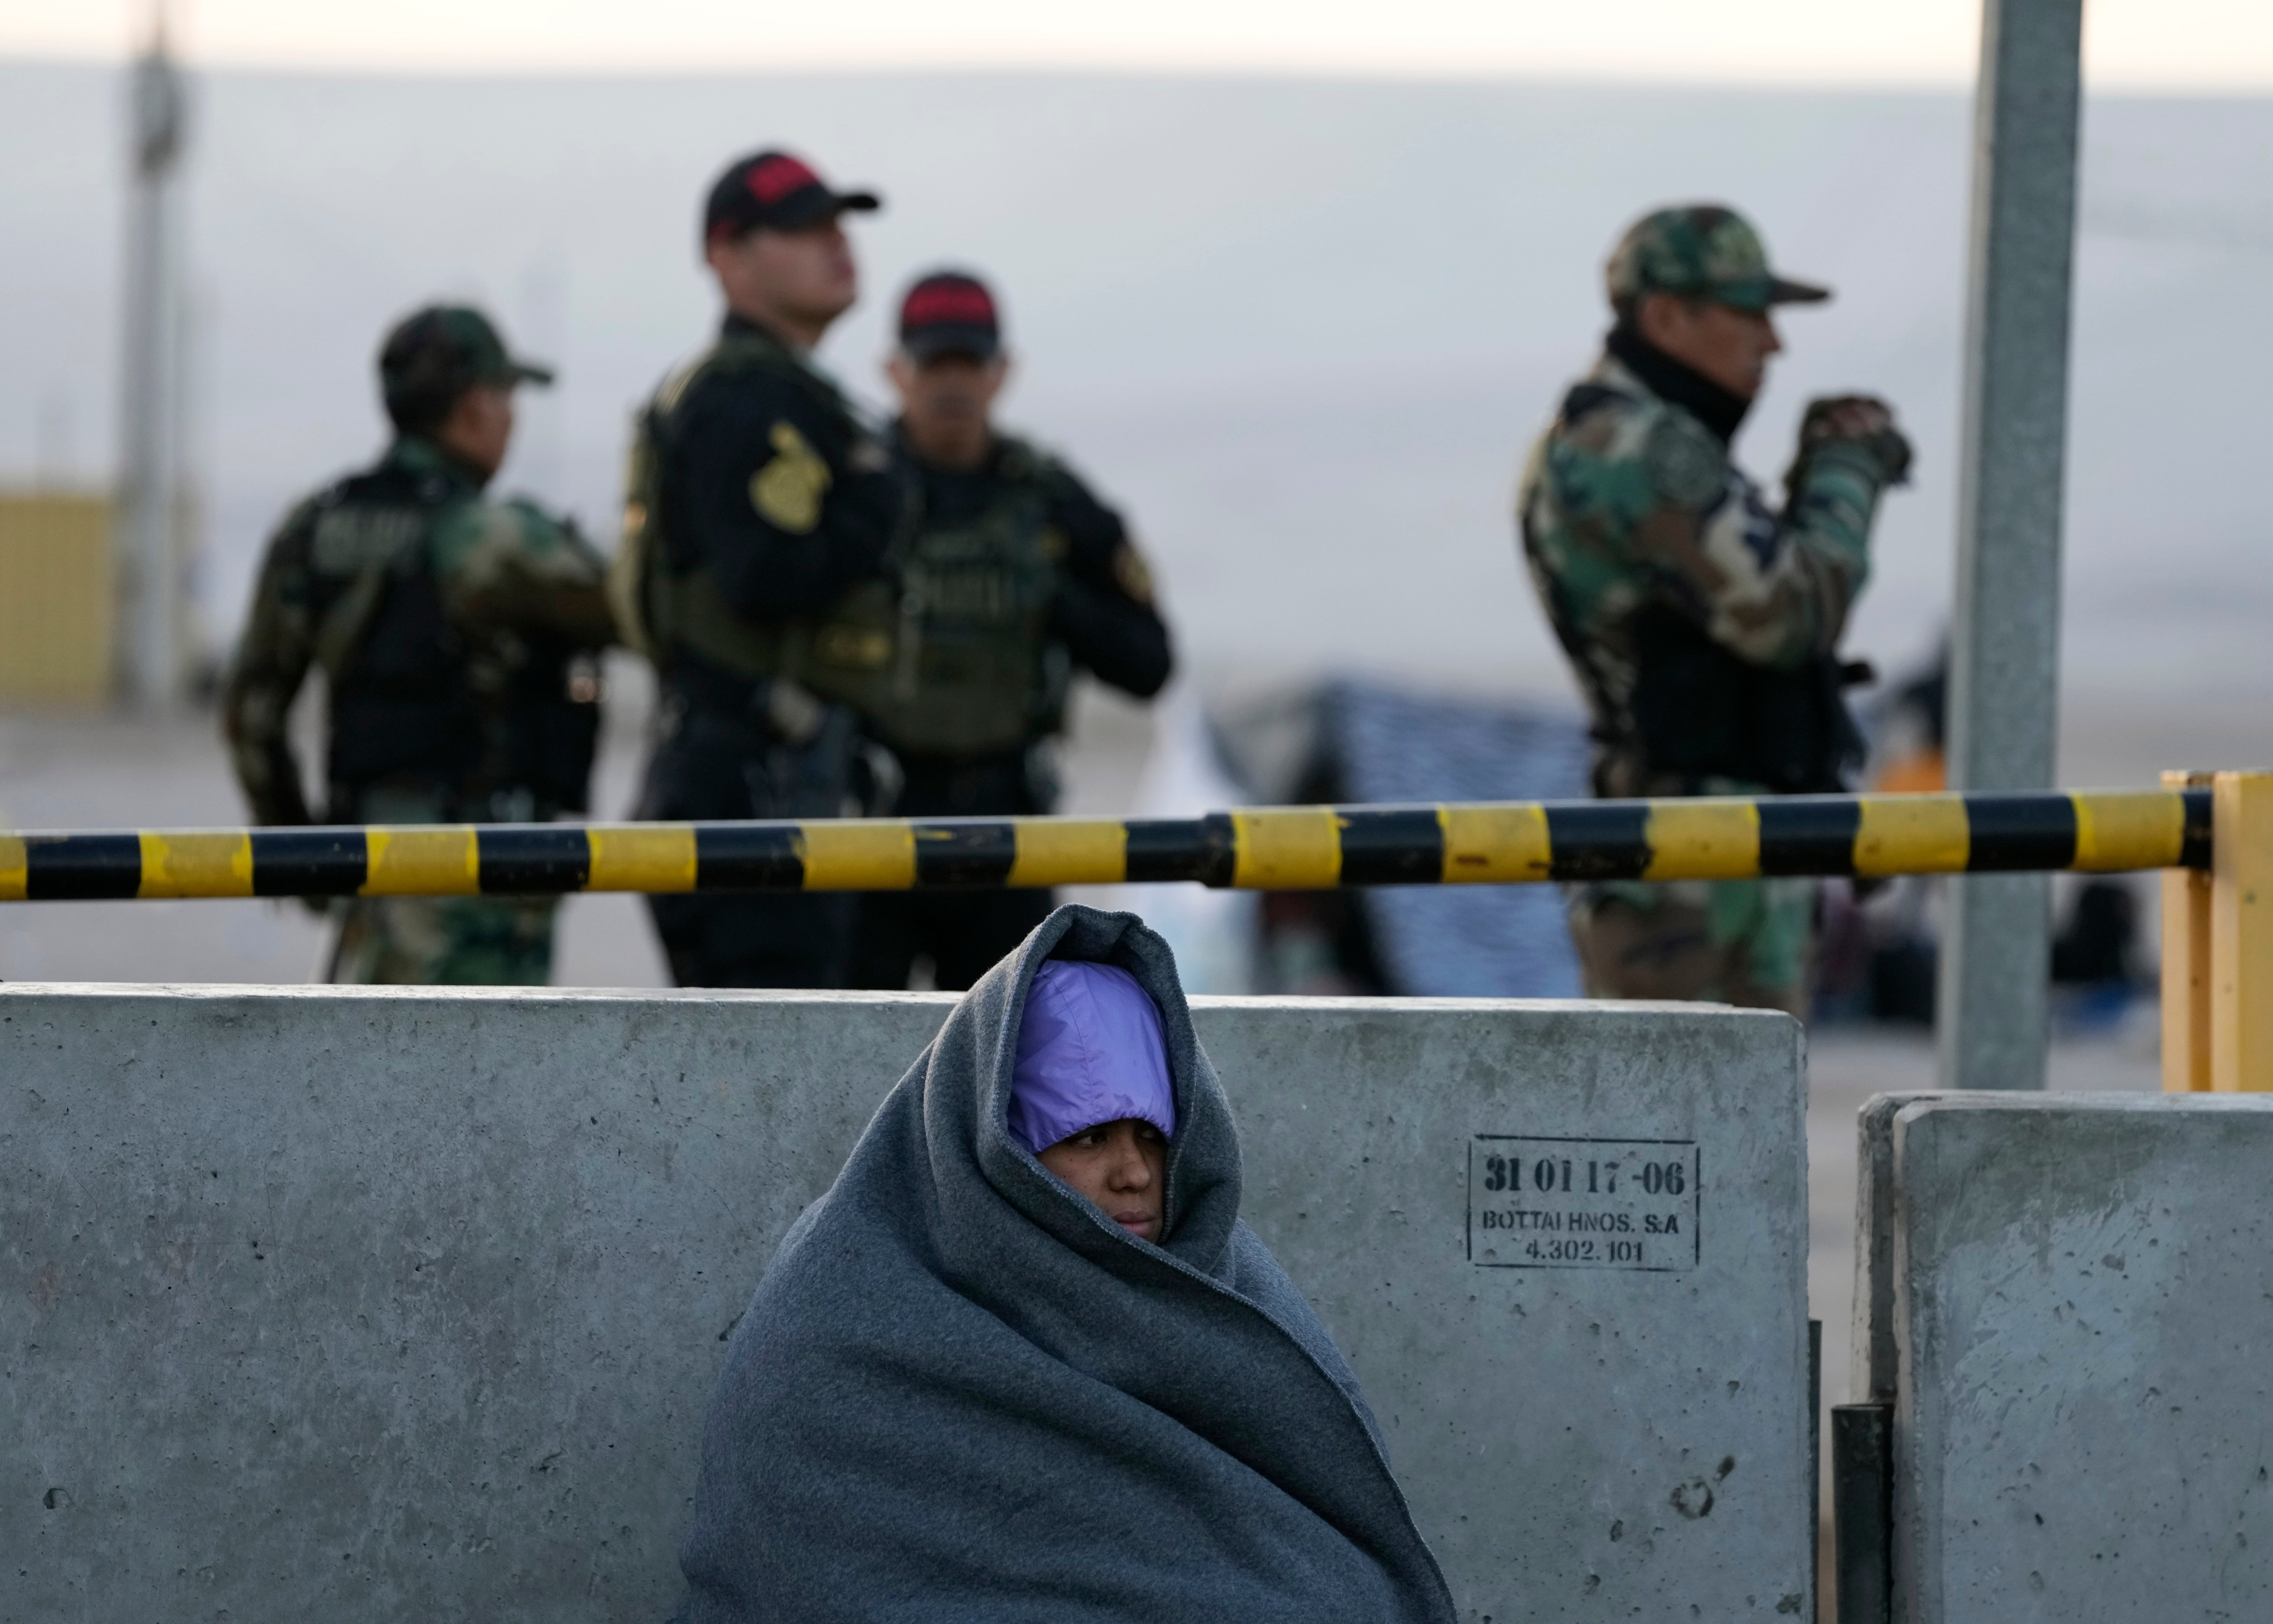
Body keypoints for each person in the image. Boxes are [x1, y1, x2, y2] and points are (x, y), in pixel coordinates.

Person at [670, 904, 1456, 1623]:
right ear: (998, 1150)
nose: (1135, 1173)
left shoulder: (1215, 1281)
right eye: (1087, 1138)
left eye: (1152, 1136)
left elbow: (1340, 1550)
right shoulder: (841, 1316)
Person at [1517, 204, 1913, 1016]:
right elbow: (1787, 616)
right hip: (1686, 869)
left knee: (1741, 1128)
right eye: (1747, 313)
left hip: (1721, 855)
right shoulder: (1636, 449)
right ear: (1666, 316)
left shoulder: (1652, 440)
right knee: (1679, 1132)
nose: (1771, 342)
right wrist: (1842, 474)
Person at [221, 305, 612, 984]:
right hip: (481, 880)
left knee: (378, 1077)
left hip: (369, 871)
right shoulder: (491, 539)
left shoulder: (317, 525)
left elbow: (250, 714)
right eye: (506, 399)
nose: (513, 420)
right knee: (489, 1080)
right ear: (472, 409)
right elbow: (634, 613)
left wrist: (306, 858)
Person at [615, 148, 913, 990]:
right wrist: (876, 495)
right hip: (749, 796)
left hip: (761, 786)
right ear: (727, 257)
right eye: (800, 230)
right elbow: (766, 577)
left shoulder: (785, 393)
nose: (836, 245)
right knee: (771, 1083)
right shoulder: (746, 400)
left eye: (837, 225)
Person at [843, 269, 1173, 991]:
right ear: (897, 372)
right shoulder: (852, 492)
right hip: (869, 832)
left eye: (970, 363)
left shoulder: (1050, 501)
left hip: (1009, 832)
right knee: (855, 1066)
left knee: (1006, 1081)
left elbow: (1149, 663)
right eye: (936, 364)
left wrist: (1046, 596)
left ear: (1003, 373)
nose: (953, 385)